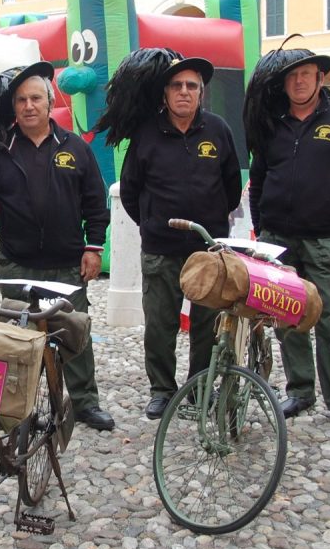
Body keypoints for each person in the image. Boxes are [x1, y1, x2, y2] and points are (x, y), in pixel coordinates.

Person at [0, 62, 114, 431]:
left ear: (50, 103)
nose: (29, 106)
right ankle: (20, 407)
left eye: (36, 98)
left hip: (67, 265)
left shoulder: (75, 148)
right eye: (21, 100)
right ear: (13, 107)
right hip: (18, 265)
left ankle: (84, 403)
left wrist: (94, 247)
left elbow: (96, 202)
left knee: (73, 334)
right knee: (18, 340)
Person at [94, 48, 241, 421]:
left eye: (192, 85)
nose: (184, 92)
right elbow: (130, 190)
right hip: (161, 250)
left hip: (208, 251)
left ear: (201, 93)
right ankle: (162, 390)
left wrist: (211, 221)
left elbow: (232, 188)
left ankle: (199, 387)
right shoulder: (147, 135)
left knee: (206, 325)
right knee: (160, 325)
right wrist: (153, 223)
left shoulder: (218, 131)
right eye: (176, 85)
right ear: (165, 93)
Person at [243, 44, 330, 433]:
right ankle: (300, 390)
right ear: (284, 83)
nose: (299, 81)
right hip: (279, 240)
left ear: (320, 79)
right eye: (292, 75)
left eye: (307, 74)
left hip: (325, 239)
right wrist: (260, 231)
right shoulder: (272, 124)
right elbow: (259, 180)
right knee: (288, 318)